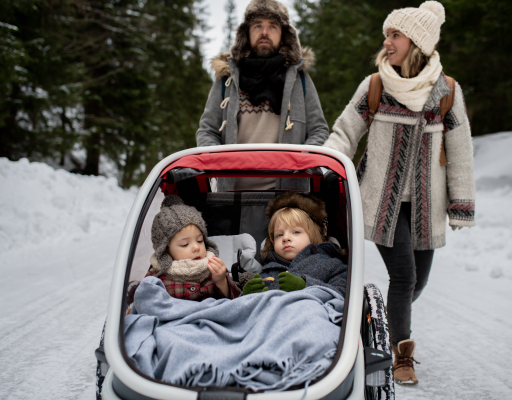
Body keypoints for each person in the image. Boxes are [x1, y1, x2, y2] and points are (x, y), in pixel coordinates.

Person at [323, 1, 475, 385]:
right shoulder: (375, 85)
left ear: (417, 42)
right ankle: (401, 355)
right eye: (386, 35)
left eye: (395, 35)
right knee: (404, 276)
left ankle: (380, 322)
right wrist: (324, 169)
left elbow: (459, 151)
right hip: (381, 201)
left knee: (416, 283)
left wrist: (461, 203)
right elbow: (344, 133)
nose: (387, 42)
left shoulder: (446, 92)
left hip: (427, 205)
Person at [196, 0, 329, 191]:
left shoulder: (300, 79)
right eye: (258, 25)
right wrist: (219, 163)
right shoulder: (227, 78)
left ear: (283, 36)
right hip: (231, 199)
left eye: (272, 26)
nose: (264, 32)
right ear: (246, 34)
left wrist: (300, 161)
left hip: (288, 201)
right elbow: (207, 131)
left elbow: (319, 131)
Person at [242, 192, 347, 297]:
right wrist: (247, 296)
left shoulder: (329, 265)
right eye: (279, 235)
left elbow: (343, 293)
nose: (286, 238)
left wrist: (305, 285)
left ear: (313, 235)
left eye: (296, 232)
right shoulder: (267, 272)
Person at [146, 195, 241, 300]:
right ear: (166, 249)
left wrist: (222, 281)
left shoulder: (213, 268)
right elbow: (146, 301)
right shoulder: (157, 275)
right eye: (185, 244)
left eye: (200, 241)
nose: (196, 247)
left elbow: (236, 301)